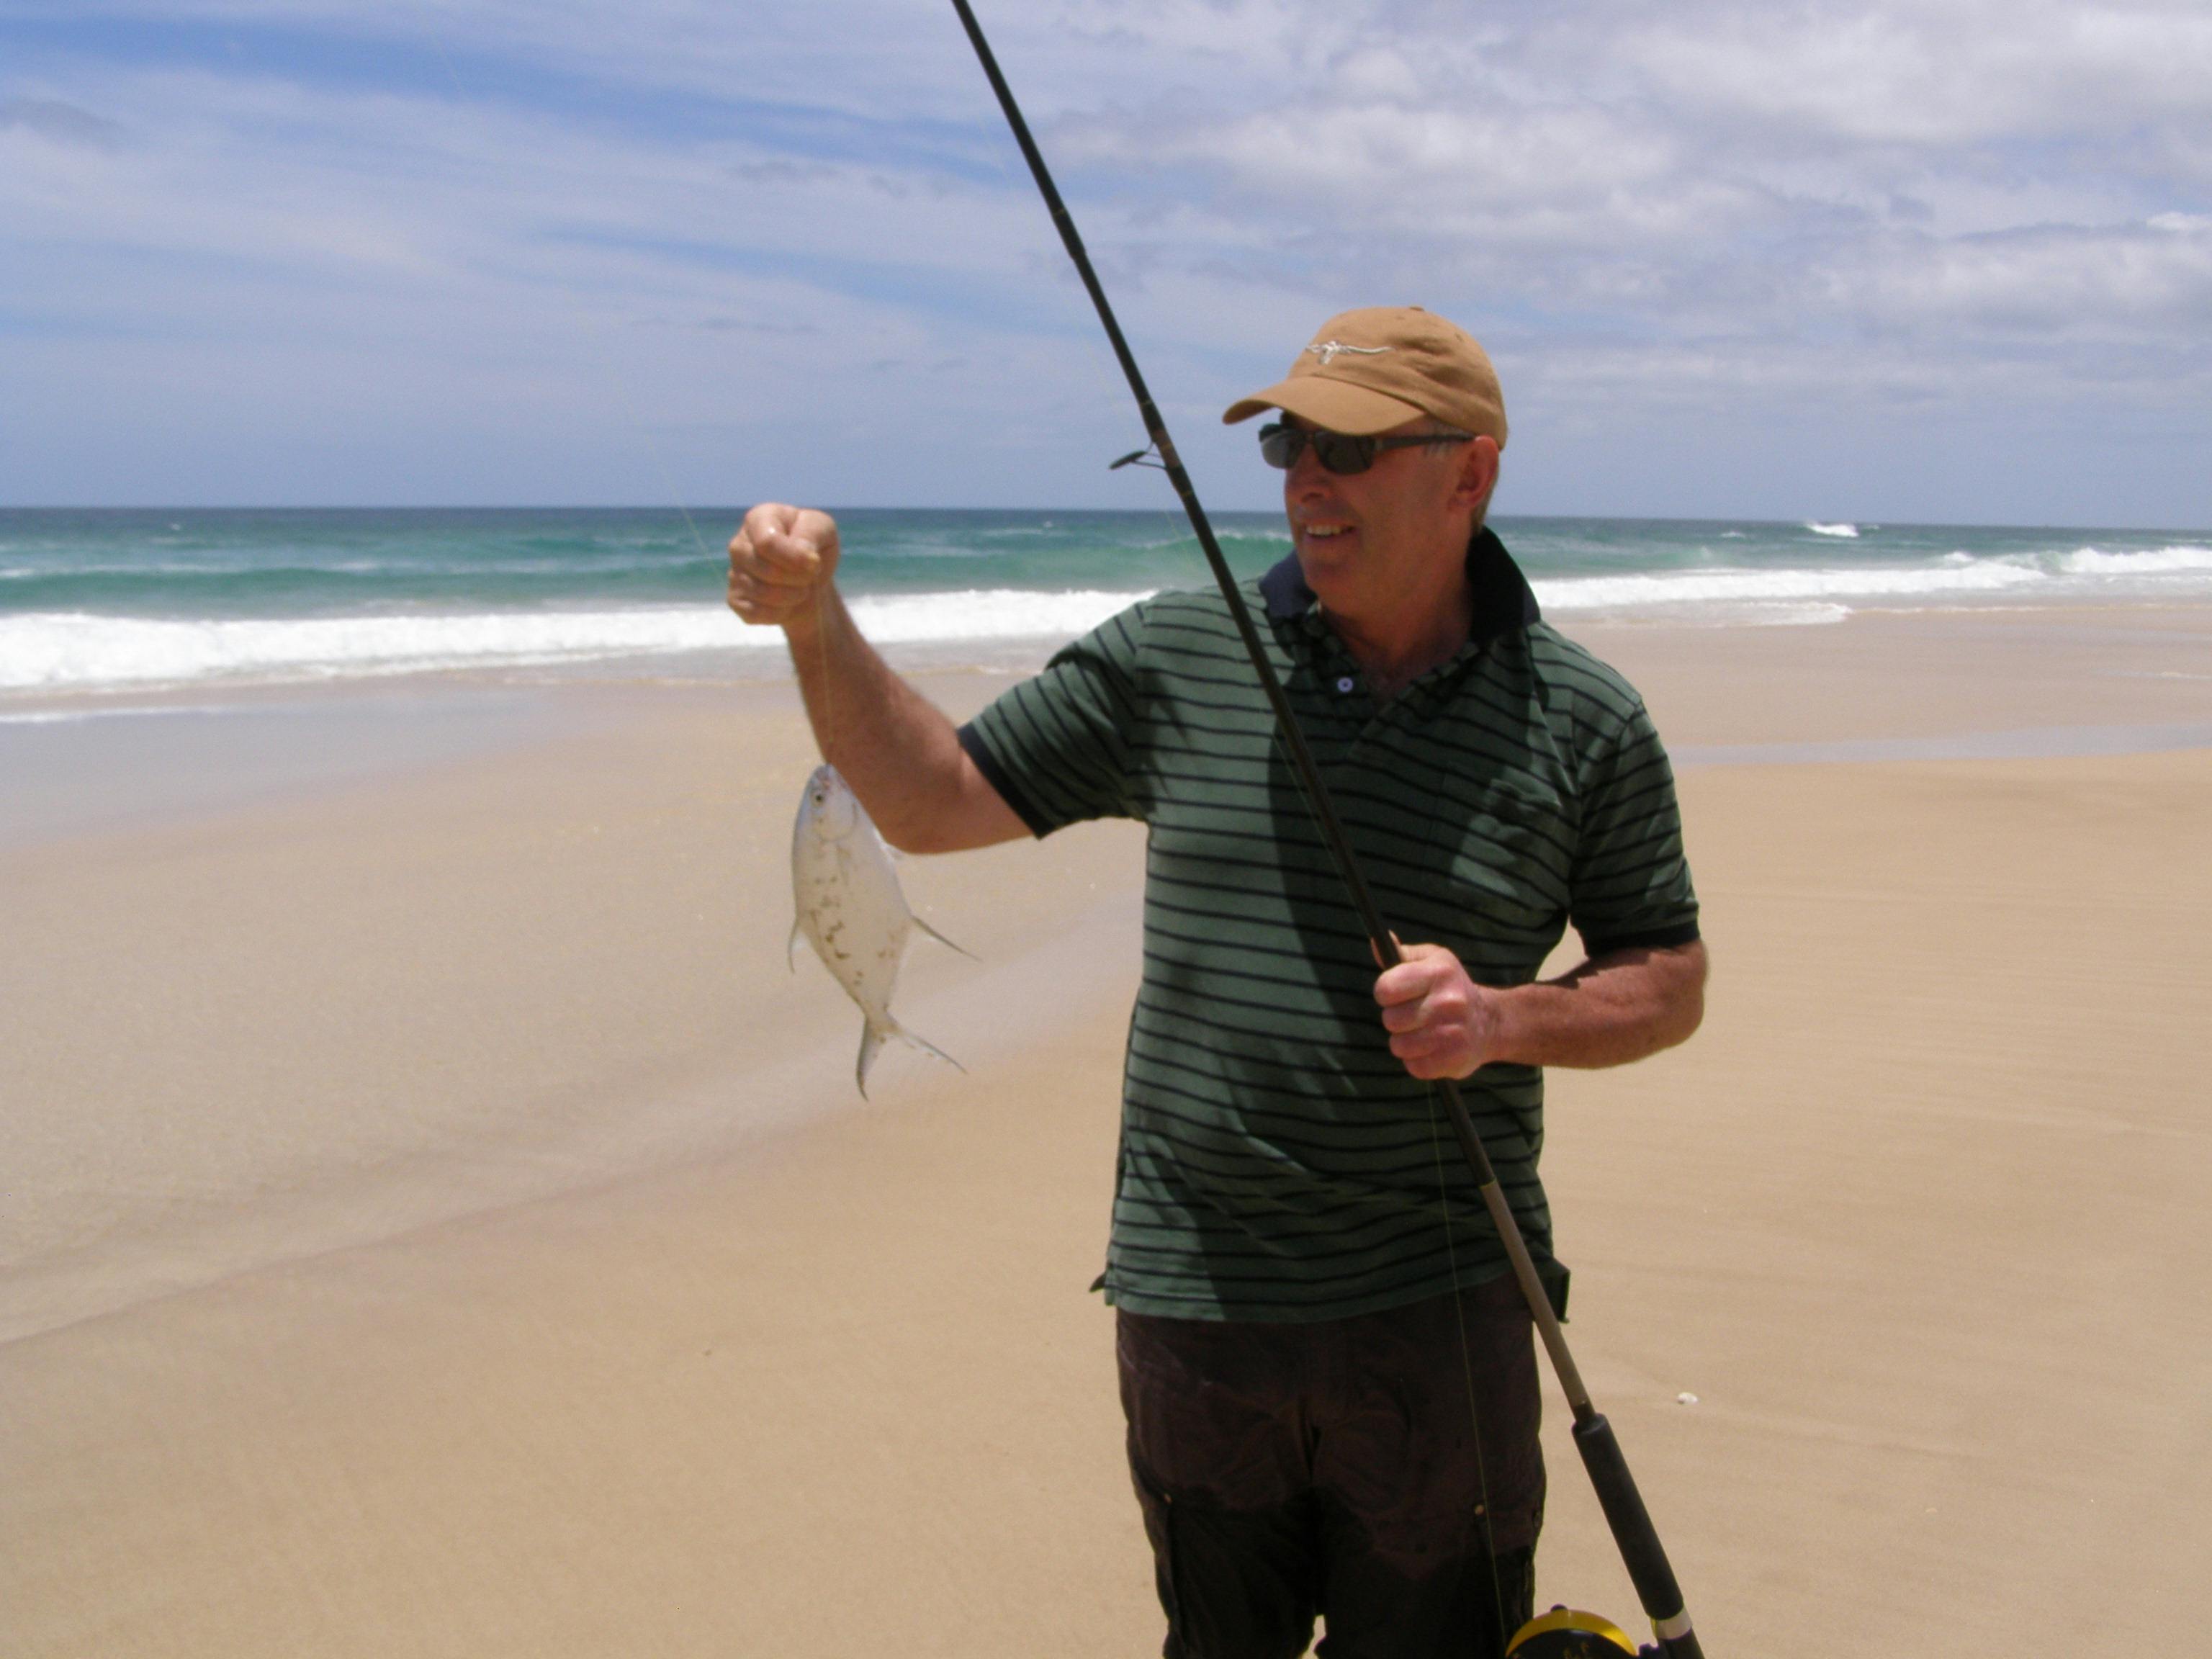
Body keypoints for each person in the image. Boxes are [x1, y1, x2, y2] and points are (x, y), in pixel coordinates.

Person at [727, 305, 1707, 1659]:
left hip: (1444, 1306)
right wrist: (812, 620)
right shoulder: (1178, 658)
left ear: (1468, 475)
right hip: (1198, 1299)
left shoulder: (1581, 717)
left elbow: (1666, 974)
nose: (1308, 475)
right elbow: (930, 799)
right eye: (1290, 441)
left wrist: (1500, 1020)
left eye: (1351, 448)